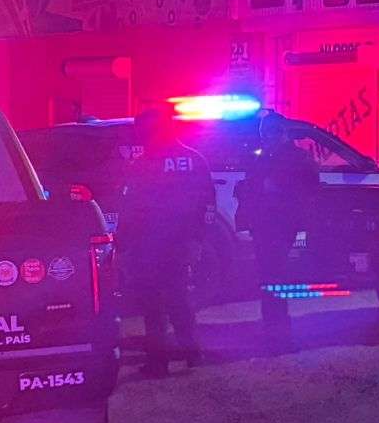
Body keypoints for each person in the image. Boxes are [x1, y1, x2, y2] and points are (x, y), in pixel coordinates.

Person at [116, 106, 212, 377]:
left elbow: (131, 209)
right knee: (178, 299)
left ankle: (159, 362)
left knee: (153, 304)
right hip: (178, 244)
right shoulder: (194, 159)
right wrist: (197, 240)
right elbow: (207, 204)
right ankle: (192, 354)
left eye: (141, 130)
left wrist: (122, 244)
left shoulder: (144, 164)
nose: (139, 135)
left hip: (150, 246)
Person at [235, 113, 319, 349]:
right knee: (269, 279)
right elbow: (250, 189)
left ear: (281, 134)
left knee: (275, 278)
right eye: (264, 133)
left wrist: (278, 190)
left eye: (270, 133)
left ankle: (280, 335)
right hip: (264, 226)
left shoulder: (297, 159)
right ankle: (273, 330)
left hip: (282, 226)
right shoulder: (263, 158)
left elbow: (309, 191)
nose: (266, 138)